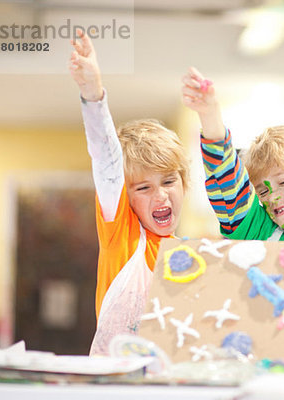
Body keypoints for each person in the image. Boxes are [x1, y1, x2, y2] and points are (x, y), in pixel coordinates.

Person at [69, 30, 190, 355]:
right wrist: (92, 93)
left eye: (168, 182)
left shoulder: (191, 256)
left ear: (184, 183)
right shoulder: (120, 234)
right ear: (126, 197)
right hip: (112, 383)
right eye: (144, 188)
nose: (161, 196)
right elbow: (106, 159)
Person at [181, 67, 284, 242]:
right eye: (263, 191)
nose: (273, 197)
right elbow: (227, 179)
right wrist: (209, 114)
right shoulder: (260, 232)